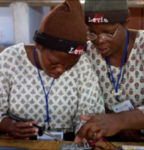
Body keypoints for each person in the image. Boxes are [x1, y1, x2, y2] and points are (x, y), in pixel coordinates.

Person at [0, 0, 105, 141]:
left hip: (68, 143)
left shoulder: (83, 65)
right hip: (20, 143)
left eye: (69, 66)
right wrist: (10, 125)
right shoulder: (10, 59)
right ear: (38, 44)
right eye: (54, 63)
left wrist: (84, 131)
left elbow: (90, 112)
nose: (61, 70)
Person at [75, 0, 144, 142]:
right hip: (111, 141)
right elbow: (83, 101)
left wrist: (119, 121)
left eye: (108, 33)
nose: (99, 41)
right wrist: (108, 119)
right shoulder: (87, 53)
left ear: (126, 23)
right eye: (91, 33)